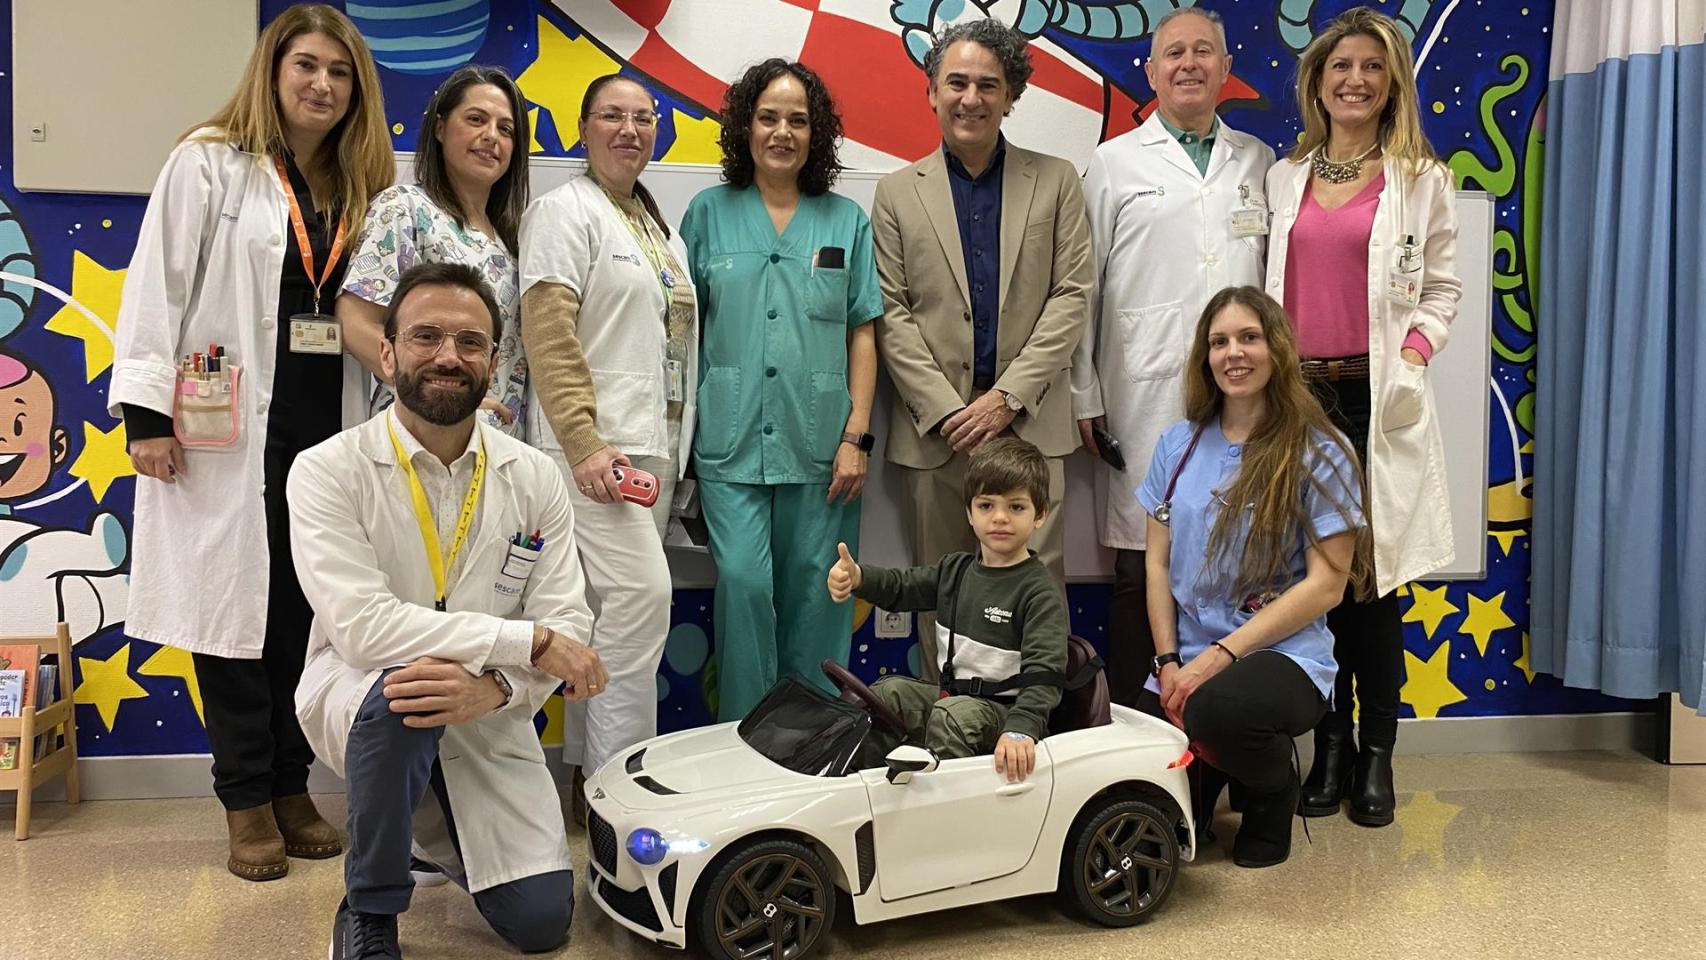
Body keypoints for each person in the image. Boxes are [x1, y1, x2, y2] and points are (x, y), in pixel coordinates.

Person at [110, 2, 393, 882]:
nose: (322, 84)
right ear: (273, 72)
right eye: (306, 65)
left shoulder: (360, 189)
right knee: (232, 619)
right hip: (221, 435)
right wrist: (147, 418)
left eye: (340, 73)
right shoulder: (209, 163)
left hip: (322, 436)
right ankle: (245, 802)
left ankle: (291, 785)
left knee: (302, 619)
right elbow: (157, 282)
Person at [288, 262, 606, 959]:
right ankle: (369, 907)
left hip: (488, 713)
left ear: (495, 361)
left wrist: (492, 686)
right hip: (370, 692)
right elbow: (364, 627)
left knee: (542, 925)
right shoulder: (325, 470)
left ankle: (429, 833)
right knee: (405, 692)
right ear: (387, 351)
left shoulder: (534, 475)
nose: (447, 356)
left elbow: (569, 620)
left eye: (469, 342)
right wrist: (525, 643)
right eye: (426, 335)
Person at [1264, 5, 1460, 827]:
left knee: (1372, 587)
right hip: (1297, 400)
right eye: (1340, 66)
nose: (1354, 80)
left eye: (1371, 68)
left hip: (1374, 400)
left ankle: (1376, 750)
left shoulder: (1421, 177)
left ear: (1392, 84)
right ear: (1317, 80)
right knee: (1314, 581)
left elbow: (1443, 288)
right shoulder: (1283, 177)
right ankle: (1330, 743)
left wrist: (1413, 357)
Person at [872, 18, 1093, 680]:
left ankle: (1037, 734)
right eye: (957, 82)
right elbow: (892, 312)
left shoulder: (1056, 182)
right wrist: (948, 409)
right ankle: (952, 732)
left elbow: (1072, 296)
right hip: (936, 435)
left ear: (1011, 95)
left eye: (988, 85)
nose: (972, 98)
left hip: (1028, 425)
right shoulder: (894, 193)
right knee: (944, 594)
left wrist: (1004, 398)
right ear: (932, 92)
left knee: (1036, 593)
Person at [1069, 6, 1275, 707]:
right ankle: (1139, 732)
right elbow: (1083, 285)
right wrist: (1084, 396)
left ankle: (1230, 733)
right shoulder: (1112, 162)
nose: (1189, 63)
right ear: (1152, 72)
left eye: (1204, 52)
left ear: (1225, 68)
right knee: (1139, 570)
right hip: (1143, 395)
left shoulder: (1258, 162)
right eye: (1174, 53)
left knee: (1241, 567)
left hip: (1245, 396)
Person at [680, 59, 881, 722]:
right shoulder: (707, 213)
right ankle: (745, 739)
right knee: (742, 586)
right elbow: (683, 329)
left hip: (823, 445)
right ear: (745, 126)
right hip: (728, 440)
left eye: (798, 119)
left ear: (815, 133)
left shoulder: (845, 220)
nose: (782, 131)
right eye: (768, 116)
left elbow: (862, 332)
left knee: (817, 594)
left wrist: (856, 437)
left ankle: (813, 740)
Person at [1140, 286, 1368, 868]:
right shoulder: (1179, 444)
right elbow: (1157, 562)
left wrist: (1216, 658)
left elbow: (1327, 584)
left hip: (1281, 654)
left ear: (1278, 350)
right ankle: (1210, 767)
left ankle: (1271, 793)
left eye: (1249, 337)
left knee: (1217, 711)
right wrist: (1168, 663)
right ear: (1204, 356)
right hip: (1187, 654)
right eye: (1219, 342)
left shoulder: (1320, 451)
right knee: (1127, 745)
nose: (1233, 354)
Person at [518, 74, 696, 809]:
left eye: (644, 118)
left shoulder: (656, 227)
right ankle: (620, 780)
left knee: (601, 616)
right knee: (643, 599)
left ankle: (583, 778)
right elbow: (549, 337)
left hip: (649, 447)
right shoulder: (563, 213)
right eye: (612, 117)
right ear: (583, 129)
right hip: (593, 450)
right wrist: (585, 442)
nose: (630, 129)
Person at [828, 438, 1067, 783]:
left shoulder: (1039, 591)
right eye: (986, 506)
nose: (1000, 518)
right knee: (886, 693)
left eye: (1016, 507)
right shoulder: (954, 571)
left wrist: (1022, 728)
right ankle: (861, 786)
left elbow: (1044, 675)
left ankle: (944, 809)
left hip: (1005, 712)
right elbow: (901, 587)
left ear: (1040, 515)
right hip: (953, 699)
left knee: (951, 715)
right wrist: (858, 577)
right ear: (969, 512)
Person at [339, 64, 529, 434]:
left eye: (505, 129)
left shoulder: (512, 241)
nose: (491, 136)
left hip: (498, 440)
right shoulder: (404, 209)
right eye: (476, 119)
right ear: (440, 128)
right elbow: (354, 320)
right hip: (420, 428)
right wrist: (430, 390)